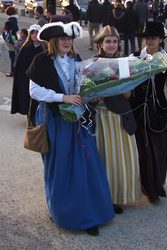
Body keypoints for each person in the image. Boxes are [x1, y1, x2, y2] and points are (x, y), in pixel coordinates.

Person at [26, 21, 115, 236]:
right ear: (54, 41)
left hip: (77, 119)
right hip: (55, 119)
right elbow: (34, 91)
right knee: (61, 167)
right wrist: (62, 97)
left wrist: (91, 95)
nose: (67, 42)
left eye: (69, 38)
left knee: (86, 164)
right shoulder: (42, 60)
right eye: (62, 38)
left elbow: (82, 86)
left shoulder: (76, 59)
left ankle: (90, 213)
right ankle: (63, 213)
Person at [129, 21, 167, 203]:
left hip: (159, 110)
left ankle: (156, 183)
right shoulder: (135, 56)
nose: (149, 41)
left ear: (161, 39)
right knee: (143, 150)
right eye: (146, 38)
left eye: (153, 38)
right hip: (138, 109)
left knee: (158, 149)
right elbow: (126, 83)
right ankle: (147, 187)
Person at [90, 26, 142, 213]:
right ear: (101, 44)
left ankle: (119, 195)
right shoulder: (92, 63)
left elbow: (128, 95)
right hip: (100, 117)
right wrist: (94, 94)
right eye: (108, 41)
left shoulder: (125, 63)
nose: (111, 45)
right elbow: (86, 93)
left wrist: (116, 83)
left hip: (119, 117)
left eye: (114, 41)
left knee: (119, 159)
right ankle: (105, 198)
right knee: (103, 158)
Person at [11, 24, 47, 122]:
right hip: (27, 77)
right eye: (33, 34)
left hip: (41, 78)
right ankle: (30, 116)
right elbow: (21, 65)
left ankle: (39, 116)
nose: (35, 36)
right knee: (28, 98)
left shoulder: (44, 48)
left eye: (37, 33)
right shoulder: (26, 48)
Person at [3, 6, 19, 77]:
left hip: (11, 39)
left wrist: (6, 31)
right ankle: (14, 70)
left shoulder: (11, 20)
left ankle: (13, 71)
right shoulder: (14, 19)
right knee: (13, 55)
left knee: (12, 55)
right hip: (13, 38)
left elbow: (15, 28)